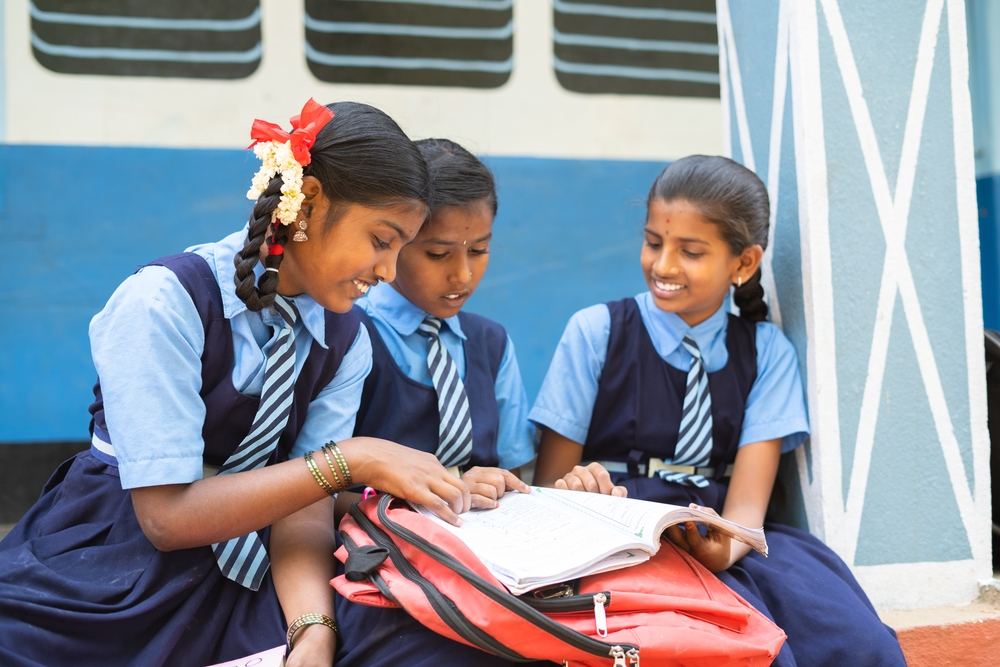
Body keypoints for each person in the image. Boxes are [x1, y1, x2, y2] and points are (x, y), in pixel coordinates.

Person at [0, 100, 475, 667]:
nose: (389, 272)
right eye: (381, 239)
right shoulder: (164, 301)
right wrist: (349, 460)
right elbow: (166, 518)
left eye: (402, 248)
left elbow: (300, 506)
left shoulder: (346, 340)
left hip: (254, 565)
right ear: (311, 202)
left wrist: (313, 630)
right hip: (113, 561)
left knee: (404, 640)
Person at [530, 156, 907, 666]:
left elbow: (749, 506)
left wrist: (722, 552)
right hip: (617, 540)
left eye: (690, 251)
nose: (662, 266)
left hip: (724, 542)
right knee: (751, 654)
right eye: (654, 242)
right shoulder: (596, 332)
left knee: (862, 646)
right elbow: (552, 484)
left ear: (744, 263)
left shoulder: (766, 352)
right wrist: (586, 497)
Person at [335, 138, 543, 667]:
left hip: (484, 562)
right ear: (396, 238)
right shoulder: (349, 334)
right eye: (438, 254)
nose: (463, 276)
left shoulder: (491, 344)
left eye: (479, 250)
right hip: (377, 561)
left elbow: (516, 471)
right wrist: (438, 493)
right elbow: (313, 485)